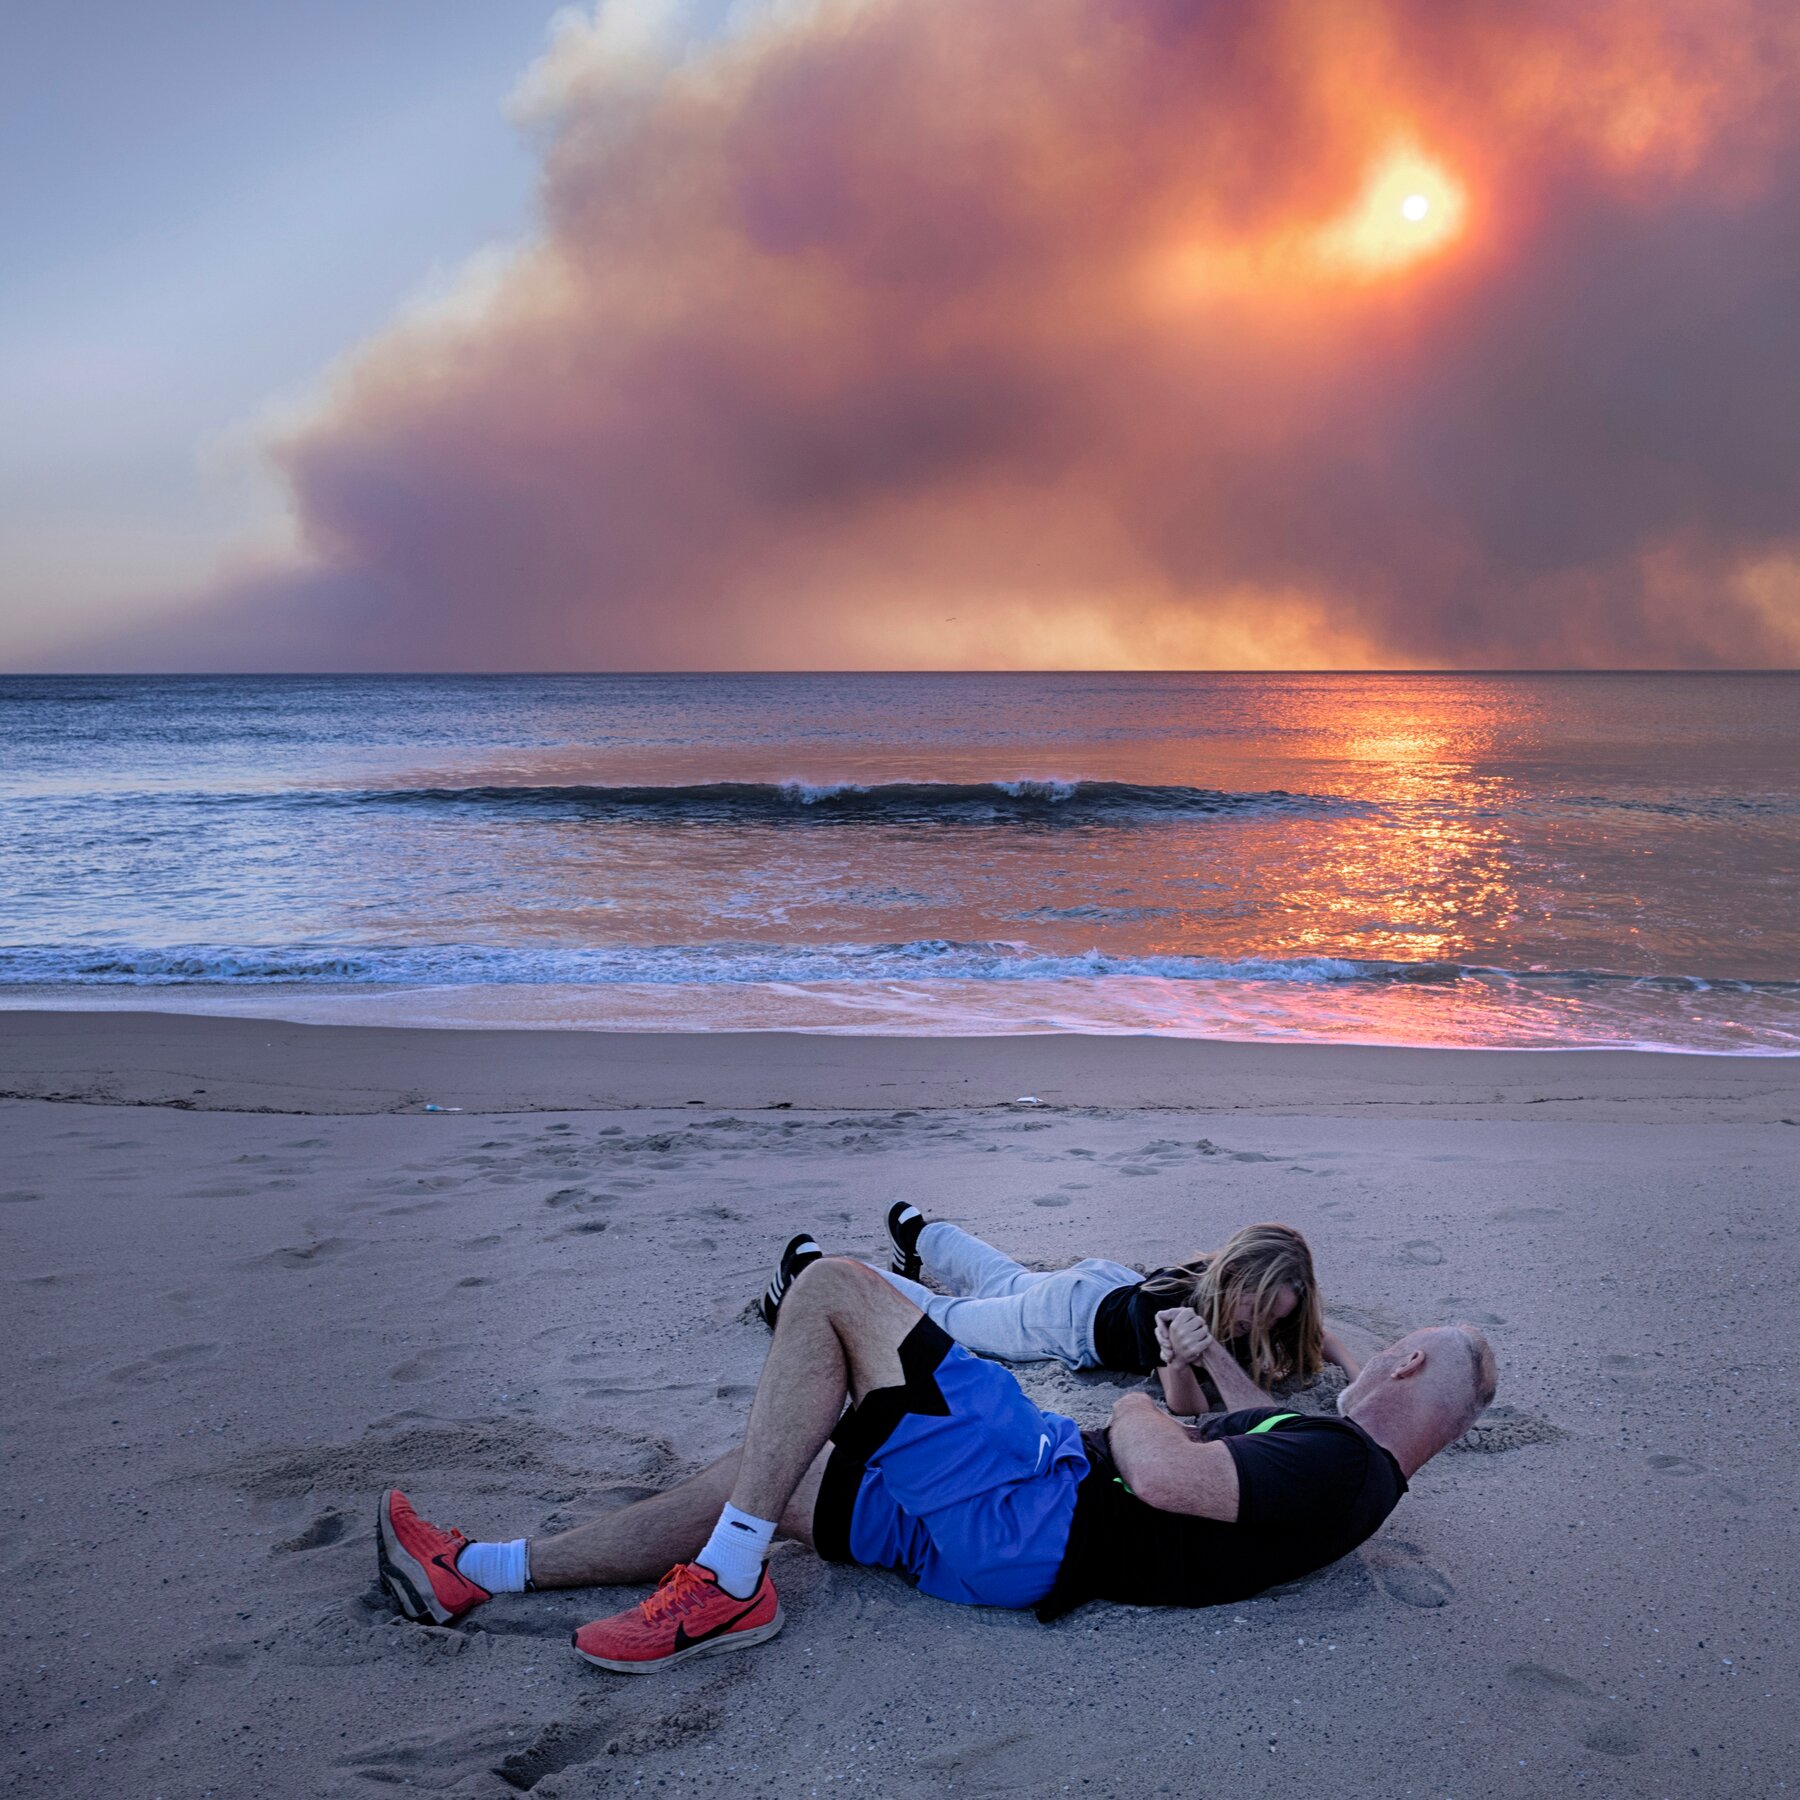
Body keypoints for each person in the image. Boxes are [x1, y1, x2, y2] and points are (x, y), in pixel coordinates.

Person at [378, 1258, 1495, 1673]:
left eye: (1386, 1351)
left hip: (1044, 1501)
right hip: (1009, 1555)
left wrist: (1148, 1404)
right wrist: (1217, 1385)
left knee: (835, 1293)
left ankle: (723, 1588)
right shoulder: (1351, 1477)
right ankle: (483, 1570)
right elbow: (1247, 1446)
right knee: (769, 1483)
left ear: (1397, 1372)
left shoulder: (1336, 1460)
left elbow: (1171, 1477)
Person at [759, 1209, 1359, 1415]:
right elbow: (1188, 1407)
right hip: (1068, 1323)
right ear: (1233, 1278)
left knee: (1004, 1278)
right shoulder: (1176, 1308)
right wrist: (1184, 1355)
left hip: (1096, 1283)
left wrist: (1356, 1374)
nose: (1262, 1325)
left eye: (1278, 1318)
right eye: (1257, 1308)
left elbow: (1320, 1338)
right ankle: (815, 1276)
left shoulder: (1233, 1294)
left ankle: (920, 1230)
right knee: (948, 1318)